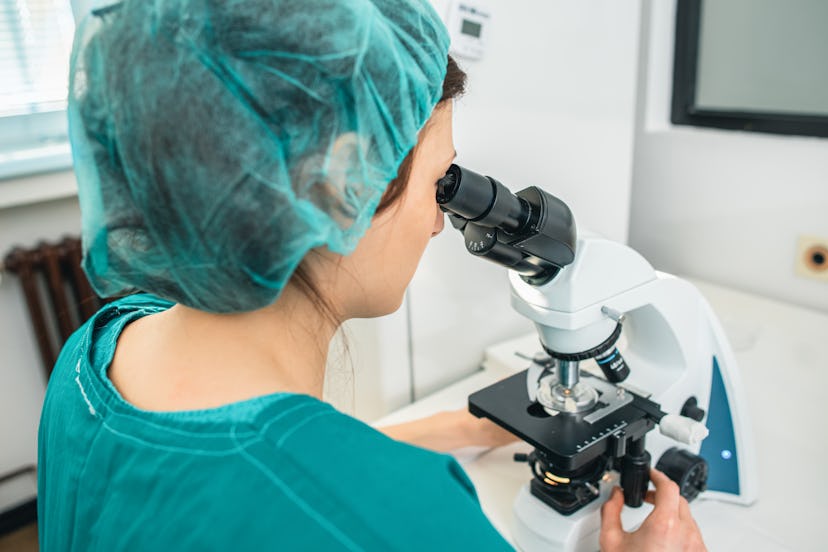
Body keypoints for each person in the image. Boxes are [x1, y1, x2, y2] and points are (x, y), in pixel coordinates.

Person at [38, 0, 706, 550]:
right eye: (439, 184)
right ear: (338, 187)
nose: (440, 223)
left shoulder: (93, 356)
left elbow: (213, 481)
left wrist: (453, 429)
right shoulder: (407, 524)